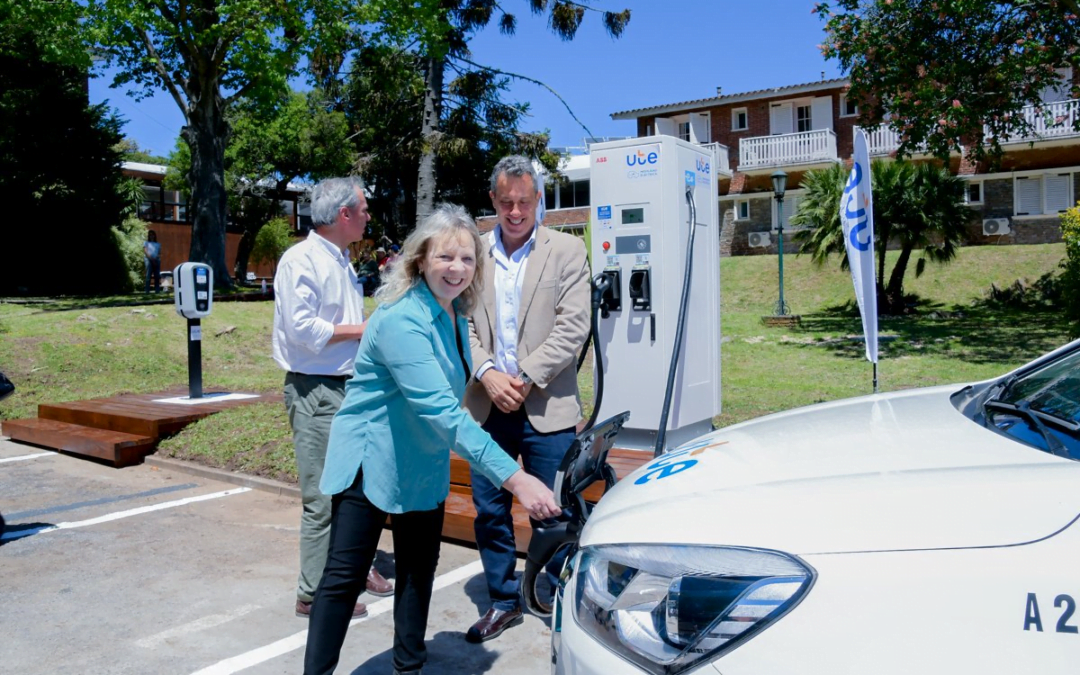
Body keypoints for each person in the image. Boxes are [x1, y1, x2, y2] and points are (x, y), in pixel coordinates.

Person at [303, 204, 560, 675]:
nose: (457, 269)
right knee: (342, 578)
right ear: (421, 259)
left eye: (467, 259)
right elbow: (443, 411)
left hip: (420, 458)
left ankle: (410, 666)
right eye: (446, 257)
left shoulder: (453, 316)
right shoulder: (402, 319)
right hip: (370, 455)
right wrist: (516, 479)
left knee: (419, 569)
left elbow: (448, 405)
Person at [462, 155, 591, 642]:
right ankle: (501, 600)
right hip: (487, 403)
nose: (515, 211)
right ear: (493, 201)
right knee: (491, 510)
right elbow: (462, 323)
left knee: (554, 510)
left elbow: (573, 326)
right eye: (506, 202)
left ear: (539, 200)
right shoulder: (472, 252)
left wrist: (526, 377)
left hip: (547, 406)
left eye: (524, 201)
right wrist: (488, 372)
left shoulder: (567, 250)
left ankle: (553, 595)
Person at [272, 176, 393, 621]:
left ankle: (353, 569)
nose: (367, 216)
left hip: (348, 387)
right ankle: (313, 593)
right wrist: (365, 329)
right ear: (343, 214)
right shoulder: (299, 260)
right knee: (324, 495)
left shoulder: (339, 259)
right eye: (362, 210)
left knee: (357, 488)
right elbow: (303, 332)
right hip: (316, 390)